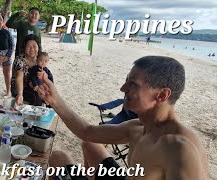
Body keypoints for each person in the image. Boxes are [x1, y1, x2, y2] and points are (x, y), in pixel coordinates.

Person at [38, 56, 208, 179]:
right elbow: (87, 132)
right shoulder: (138, 127)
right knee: (61, 156)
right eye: (127, 80)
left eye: (132, 84)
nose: (122, 88)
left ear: (162, 95)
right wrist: (54, 99)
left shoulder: (179, 149)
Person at [11, 34, 44, 106]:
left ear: (38, 47)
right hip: (21, 87)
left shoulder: (39, 59)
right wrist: (20, 94)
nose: (32, 49)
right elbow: (19, 78)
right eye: (29, 46)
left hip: (35, 85)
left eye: (34, 46)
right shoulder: (20, 59)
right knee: (36, 96)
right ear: (24, 47)